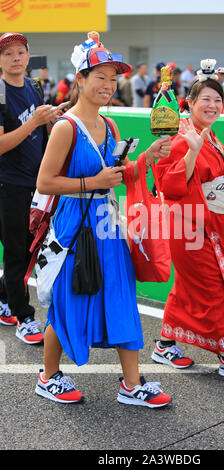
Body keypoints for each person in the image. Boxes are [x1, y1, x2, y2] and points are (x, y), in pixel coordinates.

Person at [34, 32, 172, 407]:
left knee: (121, 297)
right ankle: (48, 376)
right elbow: (45, 182)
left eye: (113, 79)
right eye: (100, 77)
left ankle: (132, 384)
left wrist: (147, 159)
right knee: (67, 302)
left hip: (107, 224)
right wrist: (92, 182)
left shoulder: (110, 127)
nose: (108, 85)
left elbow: (121, 174)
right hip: (72, 226)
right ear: (80, 79)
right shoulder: (66, 127)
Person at [151, 61, 224, 378]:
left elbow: (214, 183)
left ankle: (164, 345)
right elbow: (171, 185)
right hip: (190, 228)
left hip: (206, 225)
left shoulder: (209, 136)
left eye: (218, 99)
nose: (214, 105)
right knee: (212, 288)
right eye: (207, 100)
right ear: (189, 103)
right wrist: (191, 151)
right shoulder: (182, 137)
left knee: (188, 289)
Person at [0, 32, 58, 338]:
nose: (16, 58)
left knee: (27, 250)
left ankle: (3, 297)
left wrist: (50, 121)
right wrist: (33, 123)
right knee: (17, 252)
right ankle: (24, 316)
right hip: (9, 185)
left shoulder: (35, 86)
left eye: (20, 52)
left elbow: (41, 131)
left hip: (37, 184)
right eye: (8, 54)